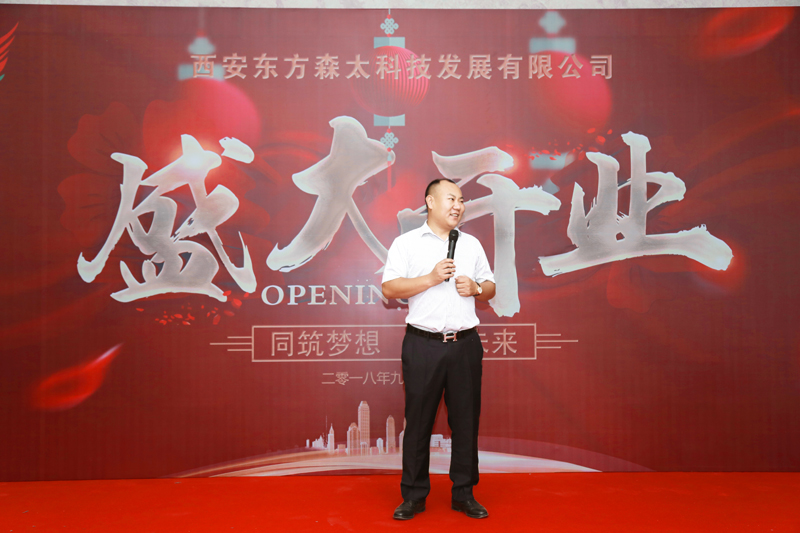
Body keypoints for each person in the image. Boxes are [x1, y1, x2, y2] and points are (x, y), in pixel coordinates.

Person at [382, 178, 496, 520]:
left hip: (465, 345)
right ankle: (414, 496)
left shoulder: (471, 244)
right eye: (451, 199)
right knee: (418, 422)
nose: (458, 206)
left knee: (465, 421)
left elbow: (490, 286)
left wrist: (477, 288)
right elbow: (389, 288)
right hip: (423, 345)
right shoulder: (406, 243)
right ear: (430, 202)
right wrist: (431, 278)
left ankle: (464, 494)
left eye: (461, 200)